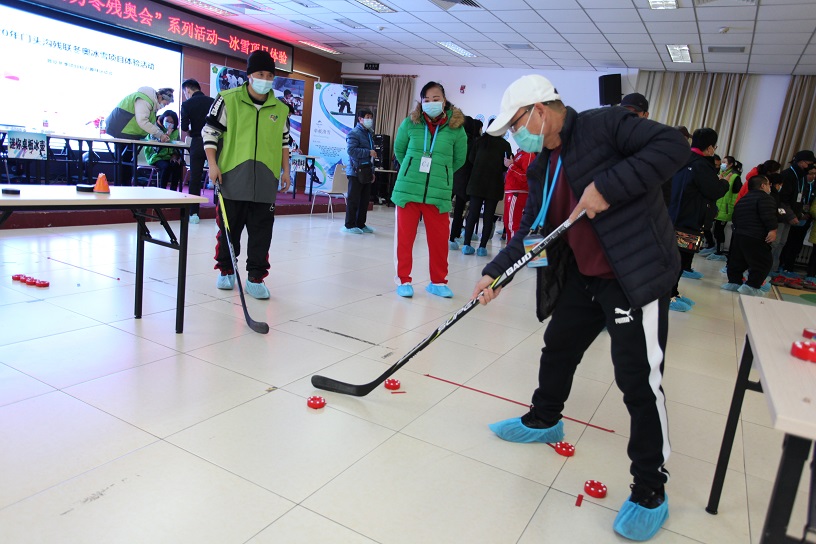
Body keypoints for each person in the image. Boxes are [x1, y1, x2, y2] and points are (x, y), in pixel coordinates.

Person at [473, 74, 689, 542]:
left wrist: (607, 187)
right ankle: (545, 418)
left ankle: (651, 487)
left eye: (516, 126)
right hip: (583, 276)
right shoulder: (541, 165)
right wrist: (497, 273)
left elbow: (673, 148)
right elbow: (534, 233)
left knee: (639, 380)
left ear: (539, 112)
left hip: (632, 278)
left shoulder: (606, 125)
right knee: (558, 346)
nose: (517, 136)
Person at [203, 50, 291, 300]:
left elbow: (285, 141)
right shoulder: (227, 99)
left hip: (265, 179)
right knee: (229, 229)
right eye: (260, 74)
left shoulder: (281, 108)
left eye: (270, 75)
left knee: (262, 232)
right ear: (249, 75)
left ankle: (255, 278)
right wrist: (213, 164)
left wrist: (285, 171)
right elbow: (210, 133)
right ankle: (226, 271)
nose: (265, 79)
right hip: (232, 177)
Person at [392, 81, 467, 299]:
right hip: (408, 190)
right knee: (404, 240)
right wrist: (410, 167)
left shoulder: (456, 128)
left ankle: (438, 282)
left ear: (444, 101)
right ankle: (403, 280)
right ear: (421, 102)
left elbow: (459, 159)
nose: (431, 103)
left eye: (436, 99)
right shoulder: (410, 123)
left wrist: (441, 171)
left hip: (438, 192)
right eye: (426, 100)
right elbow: (399, 149)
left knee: (439, 241)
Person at [668, 129, 728, 311]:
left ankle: (673, 292)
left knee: (679, 260)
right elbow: (714, 191)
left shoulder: (681, 158)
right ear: (710, 147)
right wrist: (723, 182)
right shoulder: (702, 165)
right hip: (689, 219)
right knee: (678, 261)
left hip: (675, 215)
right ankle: (669, 296)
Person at [461, 119, 512, 256]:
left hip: (476, 183)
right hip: (494, 185)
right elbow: (506, 165)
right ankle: (482, 248)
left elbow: (471, 159)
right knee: (488, 216)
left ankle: (466, 245)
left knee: (473, 214)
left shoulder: (479, 142)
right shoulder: (505, 145)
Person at [105, 86, 174, 185]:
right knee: (122, 163)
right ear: (160, 97)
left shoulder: (151, 103)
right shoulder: (144, 100)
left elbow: (151, 123)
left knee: (127, 163)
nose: (165, 105)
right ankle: (122, 188)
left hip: (129, 133)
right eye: (165, 103)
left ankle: (125, 187)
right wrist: (160, 135)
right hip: (121, 130)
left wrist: (162, 134)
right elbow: (142, 121)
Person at [722, 175, 777, 296]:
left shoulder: (744, 198)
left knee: (738, 260)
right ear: (763, 185)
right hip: (756, 235)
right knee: (763, 262)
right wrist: (772, 230)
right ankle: (752, 286)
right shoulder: (765, 198)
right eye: (768, 184)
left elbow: (735, 217)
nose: (770, 187)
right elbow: (768, 215)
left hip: (739, 234)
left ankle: (734, 282)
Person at [772, 150, 816, 277]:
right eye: (809, 163)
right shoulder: (788, 175)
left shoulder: (800, 177)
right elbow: (781, 201)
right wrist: (790, 215)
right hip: (781, 216)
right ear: (801, 162)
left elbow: (798, 199)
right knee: (775, 243)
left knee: (781, 243)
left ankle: (774, 269)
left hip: (790, 217)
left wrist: (799, 214)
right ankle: (767, 270)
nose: (810, 167)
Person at [180, 78, 215, 224]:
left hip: (197, 142)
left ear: (188, 89)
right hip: (214, 142)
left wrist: (191, 131)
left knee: (195, 178)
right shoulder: (212, 101)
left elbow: (184, 127)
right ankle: (219, 210)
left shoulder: (187, 104)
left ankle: (194, 213)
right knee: (217, 176)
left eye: (185, 92)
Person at [449, 116, 480, 250]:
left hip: (451, 177)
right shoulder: (474, 142)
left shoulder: (457, 139)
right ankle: (454, 236)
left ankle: (447, 235)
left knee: (444, 209)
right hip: (465, 180)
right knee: (459, 212)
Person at [703, 156, 743, 261]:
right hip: (717, 206)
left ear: (730, 164)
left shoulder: (735, 177)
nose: (722, 164)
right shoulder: (720, 174)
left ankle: (719, 252)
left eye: (725, 162)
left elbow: (736, 193)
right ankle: (712, 247)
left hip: (725, 208)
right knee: (711, 228)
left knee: (719, 231)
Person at [344, 109, 376, 234]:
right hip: (355, 171)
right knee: (354, 199)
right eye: (367, 117)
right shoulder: (354, 133)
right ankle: (349, 225)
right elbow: (351, 150)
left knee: (364, 200)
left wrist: (372, 171)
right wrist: (367, 152)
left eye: (371, 117)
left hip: (367, 170)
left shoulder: (369, 133)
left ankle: (361, 224)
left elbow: (372, 156)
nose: (369, 120)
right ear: (360, 119)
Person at [503, 149, 536, 245]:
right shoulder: (520, 153)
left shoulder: (528, 154)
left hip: (517, 192)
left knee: (513, 224)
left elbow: (525, 176)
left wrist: (511, 166)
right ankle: (510, 249)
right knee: (508, 223)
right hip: (512, 191)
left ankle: (513, 251)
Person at [144, 111, 183, 191]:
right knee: (166, 167)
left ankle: (174, 191)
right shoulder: (155, 130)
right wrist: (167, 135)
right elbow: (156, 148)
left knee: (177, 165)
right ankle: (162, 190)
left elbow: (178, 146)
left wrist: (175, 156)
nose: (169, 124)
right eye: (167, 121)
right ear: (162, 119)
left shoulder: (175, 132)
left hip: (169, 157)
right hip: (156, 157)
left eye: (172, 122)